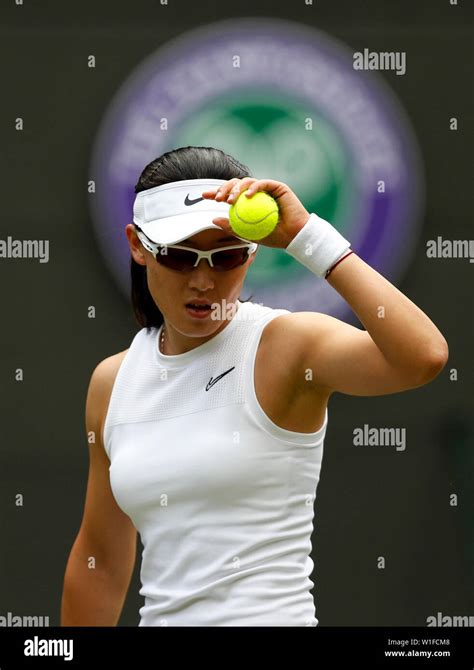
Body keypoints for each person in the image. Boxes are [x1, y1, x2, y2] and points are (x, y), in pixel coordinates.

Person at [61, 146, 449, 627]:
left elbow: (423, 357)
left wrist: (308, 238)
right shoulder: (111, 381)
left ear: (252, 251)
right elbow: (100, 558)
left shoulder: (288, 346)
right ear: (138, 246)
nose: (203, 280)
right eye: (181, 257)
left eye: (226, 257)